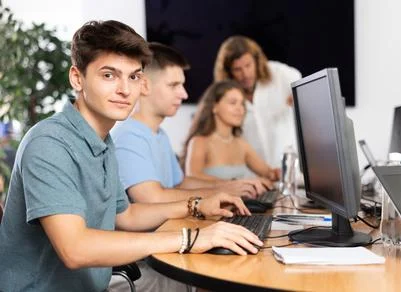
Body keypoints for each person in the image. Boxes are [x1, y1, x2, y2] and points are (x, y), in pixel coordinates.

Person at [0, 20, 262, 292]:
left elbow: (126, 215)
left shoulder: (103, 140)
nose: (125, 90)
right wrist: (191, 238)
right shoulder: (49, 143)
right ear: (77, 78)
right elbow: (75, 249)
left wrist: (196, 205)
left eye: (134, 76)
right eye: (109, 75)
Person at [111, 42, 271, 206]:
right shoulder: (129, 137)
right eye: (174, 85)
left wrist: (228, 186)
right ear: (144, 85)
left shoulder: (159, 134)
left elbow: (180, 184)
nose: (184, 94)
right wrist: (220, 192)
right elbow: (153, 198)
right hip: (159, 232)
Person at [214, 35, 301, 168]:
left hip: (288, 168)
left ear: (257, 61)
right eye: (238, 69)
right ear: (229, 72)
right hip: (252, 174)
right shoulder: (225, 94)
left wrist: (299, 96)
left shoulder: (279, 74)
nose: (245, 74)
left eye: (248, 65)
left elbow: (303, 86)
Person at [183, 80, 280, 182]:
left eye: (242, 104)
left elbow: (270, 174)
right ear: (214, 107)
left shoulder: (242, 144)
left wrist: (279, 173)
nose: (240, 109)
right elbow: (192, 177)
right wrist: (237, 184)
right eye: (233, 103)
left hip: (241, 198)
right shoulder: (199, 142)